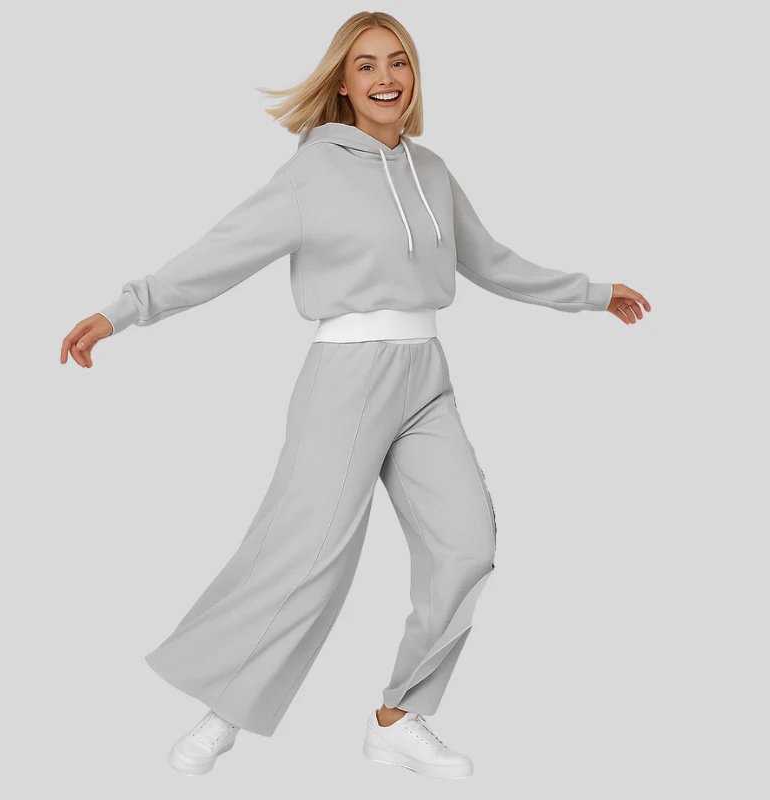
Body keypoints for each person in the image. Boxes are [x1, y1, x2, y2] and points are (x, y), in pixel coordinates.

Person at [60, 11, 649, 780]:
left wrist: (591, 294)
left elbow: (492, 261)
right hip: (345, 376)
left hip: (425, 375)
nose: (385, 78)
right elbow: (220, 253)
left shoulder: (431, 171)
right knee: (308, 558)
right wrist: (123, 310)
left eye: (397, 62)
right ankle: (223, 714)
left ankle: (398, 718)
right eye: (366, 65)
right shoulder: (312, 175)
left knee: (468, 544)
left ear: (414, 75)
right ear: (342, 82)